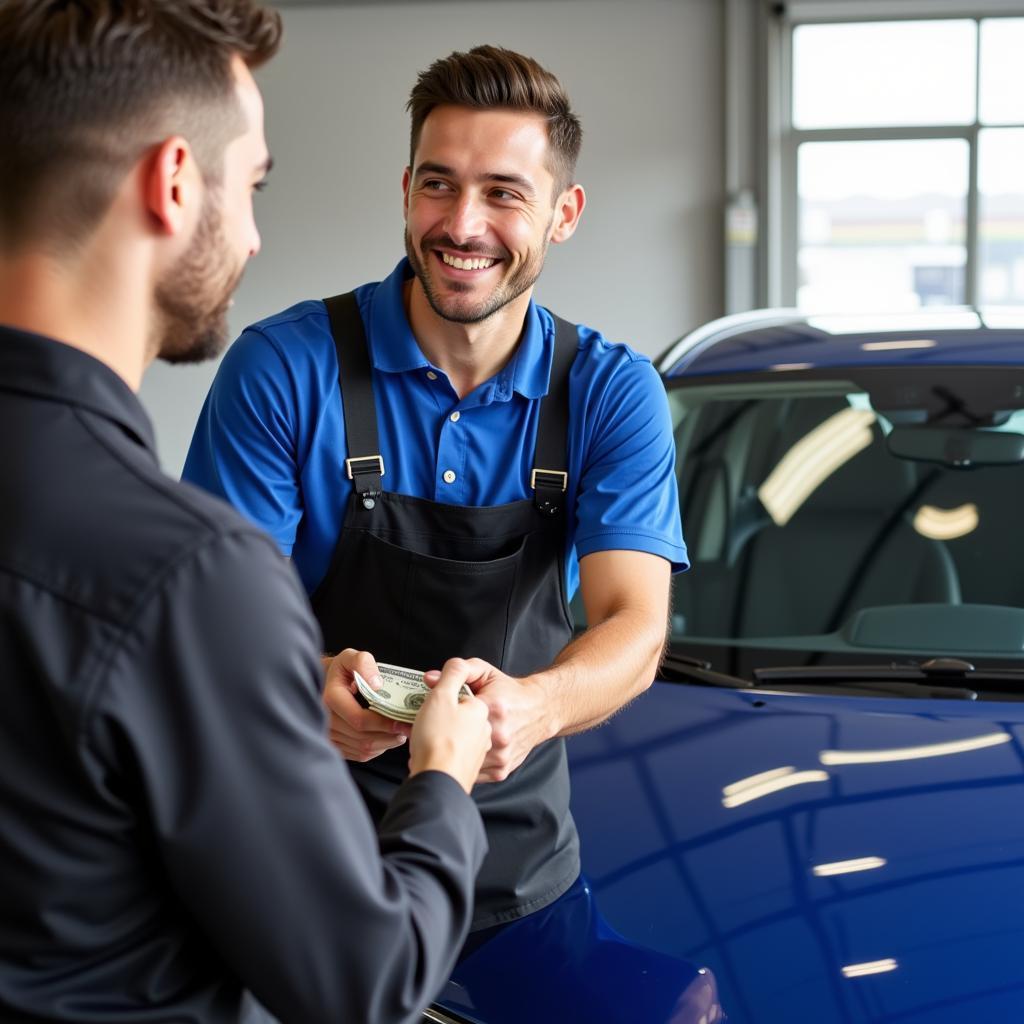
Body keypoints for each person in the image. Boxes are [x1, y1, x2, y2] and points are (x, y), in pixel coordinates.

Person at [0, 3, 494, 1023]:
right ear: (174, 182)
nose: (258, 233)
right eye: (253, 183)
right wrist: (441, 779)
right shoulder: (187, 574)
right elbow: (366, 979)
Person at [184, 45, 688, 936]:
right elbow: (211, 623)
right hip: (298, 868)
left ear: (564, 212)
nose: (462, 224)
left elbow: (635, 628)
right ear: (405, 187)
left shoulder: (611, 392)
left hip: (517, 881)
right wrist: (304, 685)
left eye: (504, 192)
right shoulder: (283, 368)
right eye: (438, 184)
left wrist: (531, 711)